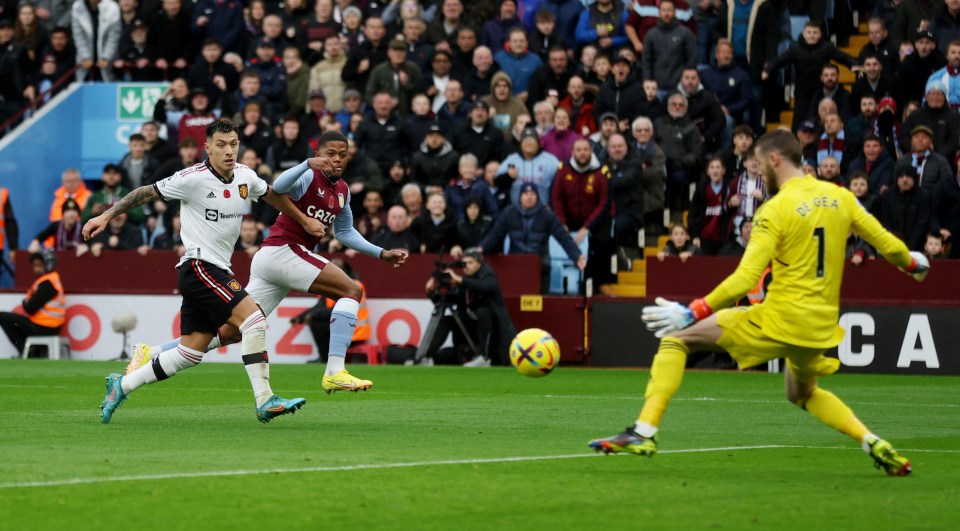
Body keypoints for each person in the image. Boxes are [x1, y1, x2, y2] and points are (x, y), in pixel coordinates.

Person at [589, 129, 929, 477]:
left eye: (759, 165)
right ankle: (871, 440)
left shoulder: (774, 210)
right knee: (802, 394)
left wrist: (694, 310)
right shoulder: (841, 197)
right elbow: (889, 246)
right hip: (820, 327)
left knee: (677, 338)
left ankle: (643, 432)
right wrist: (915, 264)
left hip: (779, 318)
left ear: (774, 159)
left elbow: (745, 278)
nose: (758, 172)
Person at [132, 130, 410, 397]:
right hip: (282, 250)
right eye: (330, 154)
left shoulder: (343, 191)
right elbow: (280, 187)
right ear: (317, 154)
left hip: (273, 262)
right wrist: (306, 164)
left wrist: (381, 253)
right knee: (351, 291)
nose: (336, 159)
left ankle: (152, 352)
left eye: (343, 154)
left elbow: (346, 232)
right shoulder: (308, 176)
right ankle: (335, 369)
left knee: (231, 332)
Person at [85, 119, 326, 425]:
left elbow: (271, 194)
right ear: (207, 148)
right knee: (253, 320)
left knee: (189, 353)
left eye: (234, 144)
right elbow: (146, 192)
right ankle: (265, 400)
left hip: (213, 270)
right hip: (199, 266)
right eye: (222, 145)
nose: (229, 151)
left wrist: (304, 220)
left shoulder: (245, 176)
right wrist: (105, 216)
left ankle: (122, 385)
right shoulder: (191, 178)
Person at [423, 250, 516, 367]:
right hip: (473, 326)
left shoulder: (488, 275)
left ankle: (484, 357)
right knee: (446, 320)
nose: (466, 266)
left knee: (483, 312)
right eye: (464, 263)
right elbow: (449, 299)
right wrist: (432, 291)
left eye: (470, 262)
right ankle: (426, 357)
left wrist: (459, 279)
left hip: (493, 328)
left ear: (479, 263)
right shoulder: (465, 280)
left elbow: (485, 286)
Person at [0, 250, 63, 357]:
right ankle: (32, 352)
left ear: (48, 265)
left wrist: (25, 302)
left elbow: (30, 308)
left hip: (44, 327)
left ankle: (27, 353)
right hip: (45, 325)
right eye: (35, 265)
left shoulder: (48, 283)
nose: (36, 269)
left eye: (39, 265)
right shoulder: (50, 280)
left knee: (2, 317)